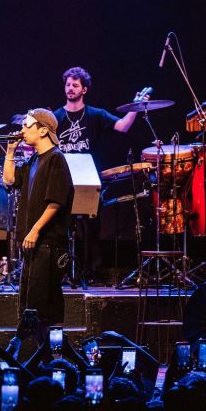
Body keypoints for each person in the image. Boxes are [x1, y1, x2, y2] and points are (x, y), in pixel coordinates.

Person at [52, 67, 147, 283]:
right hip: (63, 177)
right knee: (61, 224)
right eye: (67, 84)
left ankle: (90, 272)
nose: (70, 88)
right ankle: (62, 269)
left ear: (84, 89)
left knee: (91, 226)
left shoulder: (95, 114)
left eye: (75, 85)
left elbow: (122, 127)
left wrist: (136, 107)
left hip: (88, 178)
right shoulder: (56, 117)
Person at [4, 109, 74, 340]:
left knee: (44, 303)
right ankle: (40, 352)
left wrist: (35, 230)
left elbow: (56, 201)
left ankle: (50, 355)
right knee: (31, 302)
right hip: (34, 244)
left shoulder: (56, 158)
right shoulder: (34, 159)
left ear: (43, 130)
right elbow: (10, 179)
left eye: (27, 125)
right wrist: (11, 151)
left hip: (48, 243)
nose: (22, 129)